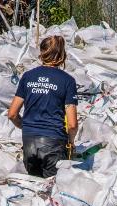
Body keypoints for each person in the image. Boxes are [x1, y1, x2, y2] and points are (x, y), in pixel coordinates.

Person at [7, 35, 78, 178]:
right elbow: (72, 124)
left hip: (29, 142)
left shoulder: (28, 76)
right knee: (52, 192)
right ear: (61, 54)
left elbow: (12, 114)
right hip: (54, 143)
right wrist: (71, 142)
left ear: (42, 52)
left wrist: (26, 126)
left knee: (35, 189)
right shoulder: (67, 81)